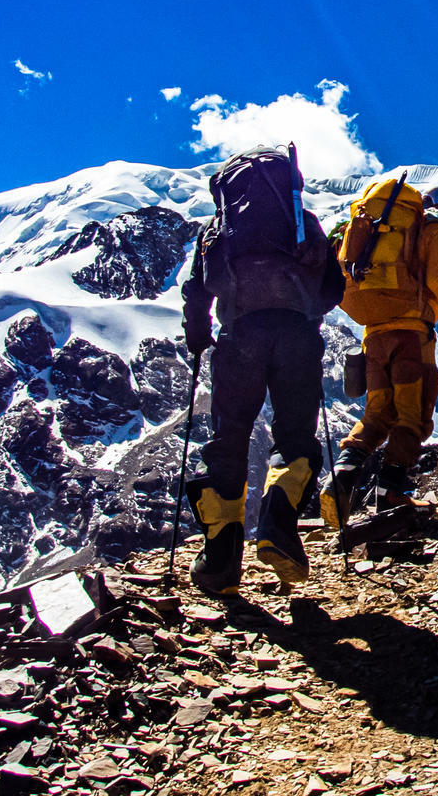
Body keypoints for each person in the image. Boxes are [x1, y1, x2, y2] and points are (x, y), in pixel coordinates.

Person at [180, 148, 345, 596]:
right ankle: (278, 521)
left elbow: (197, 291)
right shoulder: (302, 222)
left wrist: (198, 335)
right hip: (296, 336)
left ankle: (220, 564)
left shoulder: (218, 230)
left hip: (238, 337)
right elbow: (334, 290)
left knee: (228, 441)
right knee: (294, 436)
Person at [324, 175, 438, 528]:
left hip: (372, 335)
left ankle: (343, 472)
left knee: (377, 415)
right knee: (413, 416)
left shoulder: (376, 229)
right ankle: (391, 494)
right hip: (411, 338)